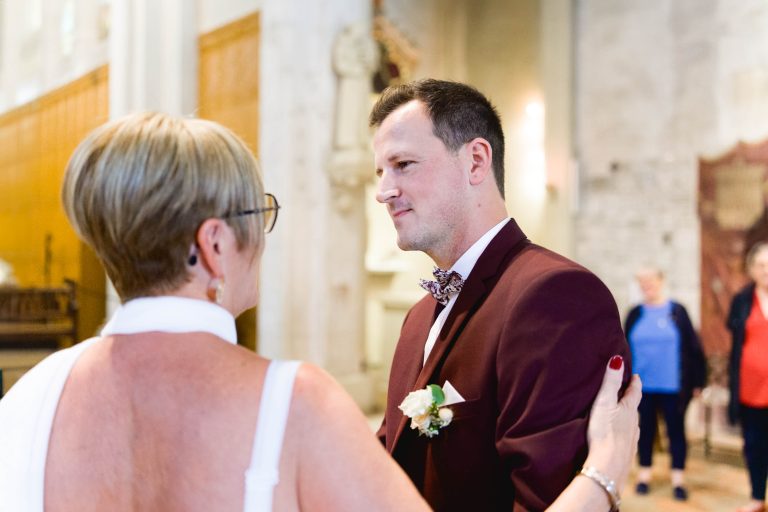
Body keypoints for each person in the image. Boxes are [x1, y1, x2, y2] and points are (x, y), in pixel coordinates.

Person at [0, 112, 639, 512]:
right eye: (260, 216)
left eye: (403, 164)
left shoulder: (25, 402)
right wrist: (604, 473)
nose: (386, 188)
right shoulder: (294, 404)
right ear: (215, 246)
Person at [370, 78, 632, 511]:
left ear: (475, 161)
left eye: (403, 164)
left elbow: (540, 500)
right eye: (380, 172)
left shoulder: (557, 297)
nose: (384, 192)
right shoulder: (418, 317)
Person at [624, 266, 706, 501]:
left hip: (674, 387)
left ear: (661, 280)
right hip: (642, 387)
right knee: (645, 431)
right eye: (642, 281)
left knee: (676, 432)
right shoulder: (634, 314)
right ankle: (644, 475)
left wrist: (698, 382)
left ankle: (678, 479)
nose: (647, 285)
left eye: (651, 280)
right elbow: (622, 347)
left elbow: (693, 347)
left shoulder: (677, 311)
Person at [728, 242, 768, 512]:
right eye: (761, 265)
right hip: (751, 389)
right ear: (752, 269)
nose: (767, 270)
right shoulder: (742, 300)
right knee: (754, 446)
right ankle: (756, 497)